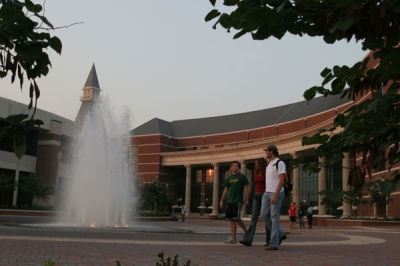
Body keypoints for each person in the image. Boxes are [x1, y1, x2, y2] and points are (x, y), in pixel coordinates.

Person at [261, 144, 287, 251]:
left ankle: (274, 243)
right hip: (267, 193)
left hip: (276, 193)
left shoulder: (279, 163)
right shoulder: (269, 163)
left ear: (271, 152)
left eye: (267, 151)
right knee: (264, 215)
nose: (265, 153)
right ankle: (280, 234)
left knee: (274, 218)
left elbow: (281, 180)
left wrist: (276, 195)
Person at [239, 158, 271, 247]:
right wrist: (249, 198)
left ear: (261, 164)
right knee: (254, 219)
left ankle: (269, 240)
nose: (255, 165)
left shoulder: (266, 173)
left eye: (257, 163)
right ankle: (248, 240)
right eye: (255, 164)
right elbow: (255, 185)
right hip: (256, 196)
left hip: (265, 196)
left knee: (266, 217)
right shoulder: (256, 174)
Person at [220, 161, 250, 244]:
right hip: (230, 201)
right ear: (231, 167)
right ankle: (233, 238)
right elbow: (225, 190)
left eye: (237, 165)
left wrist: (247, 199)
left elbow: (246, 189)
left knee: (236, 218)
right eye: (234, 165)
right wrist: (222, 200)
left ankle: (247, 232)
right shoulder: (228, 178)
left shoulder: (242, 177)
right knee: (232, 220)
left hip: (238, 200)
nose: (236, 167)